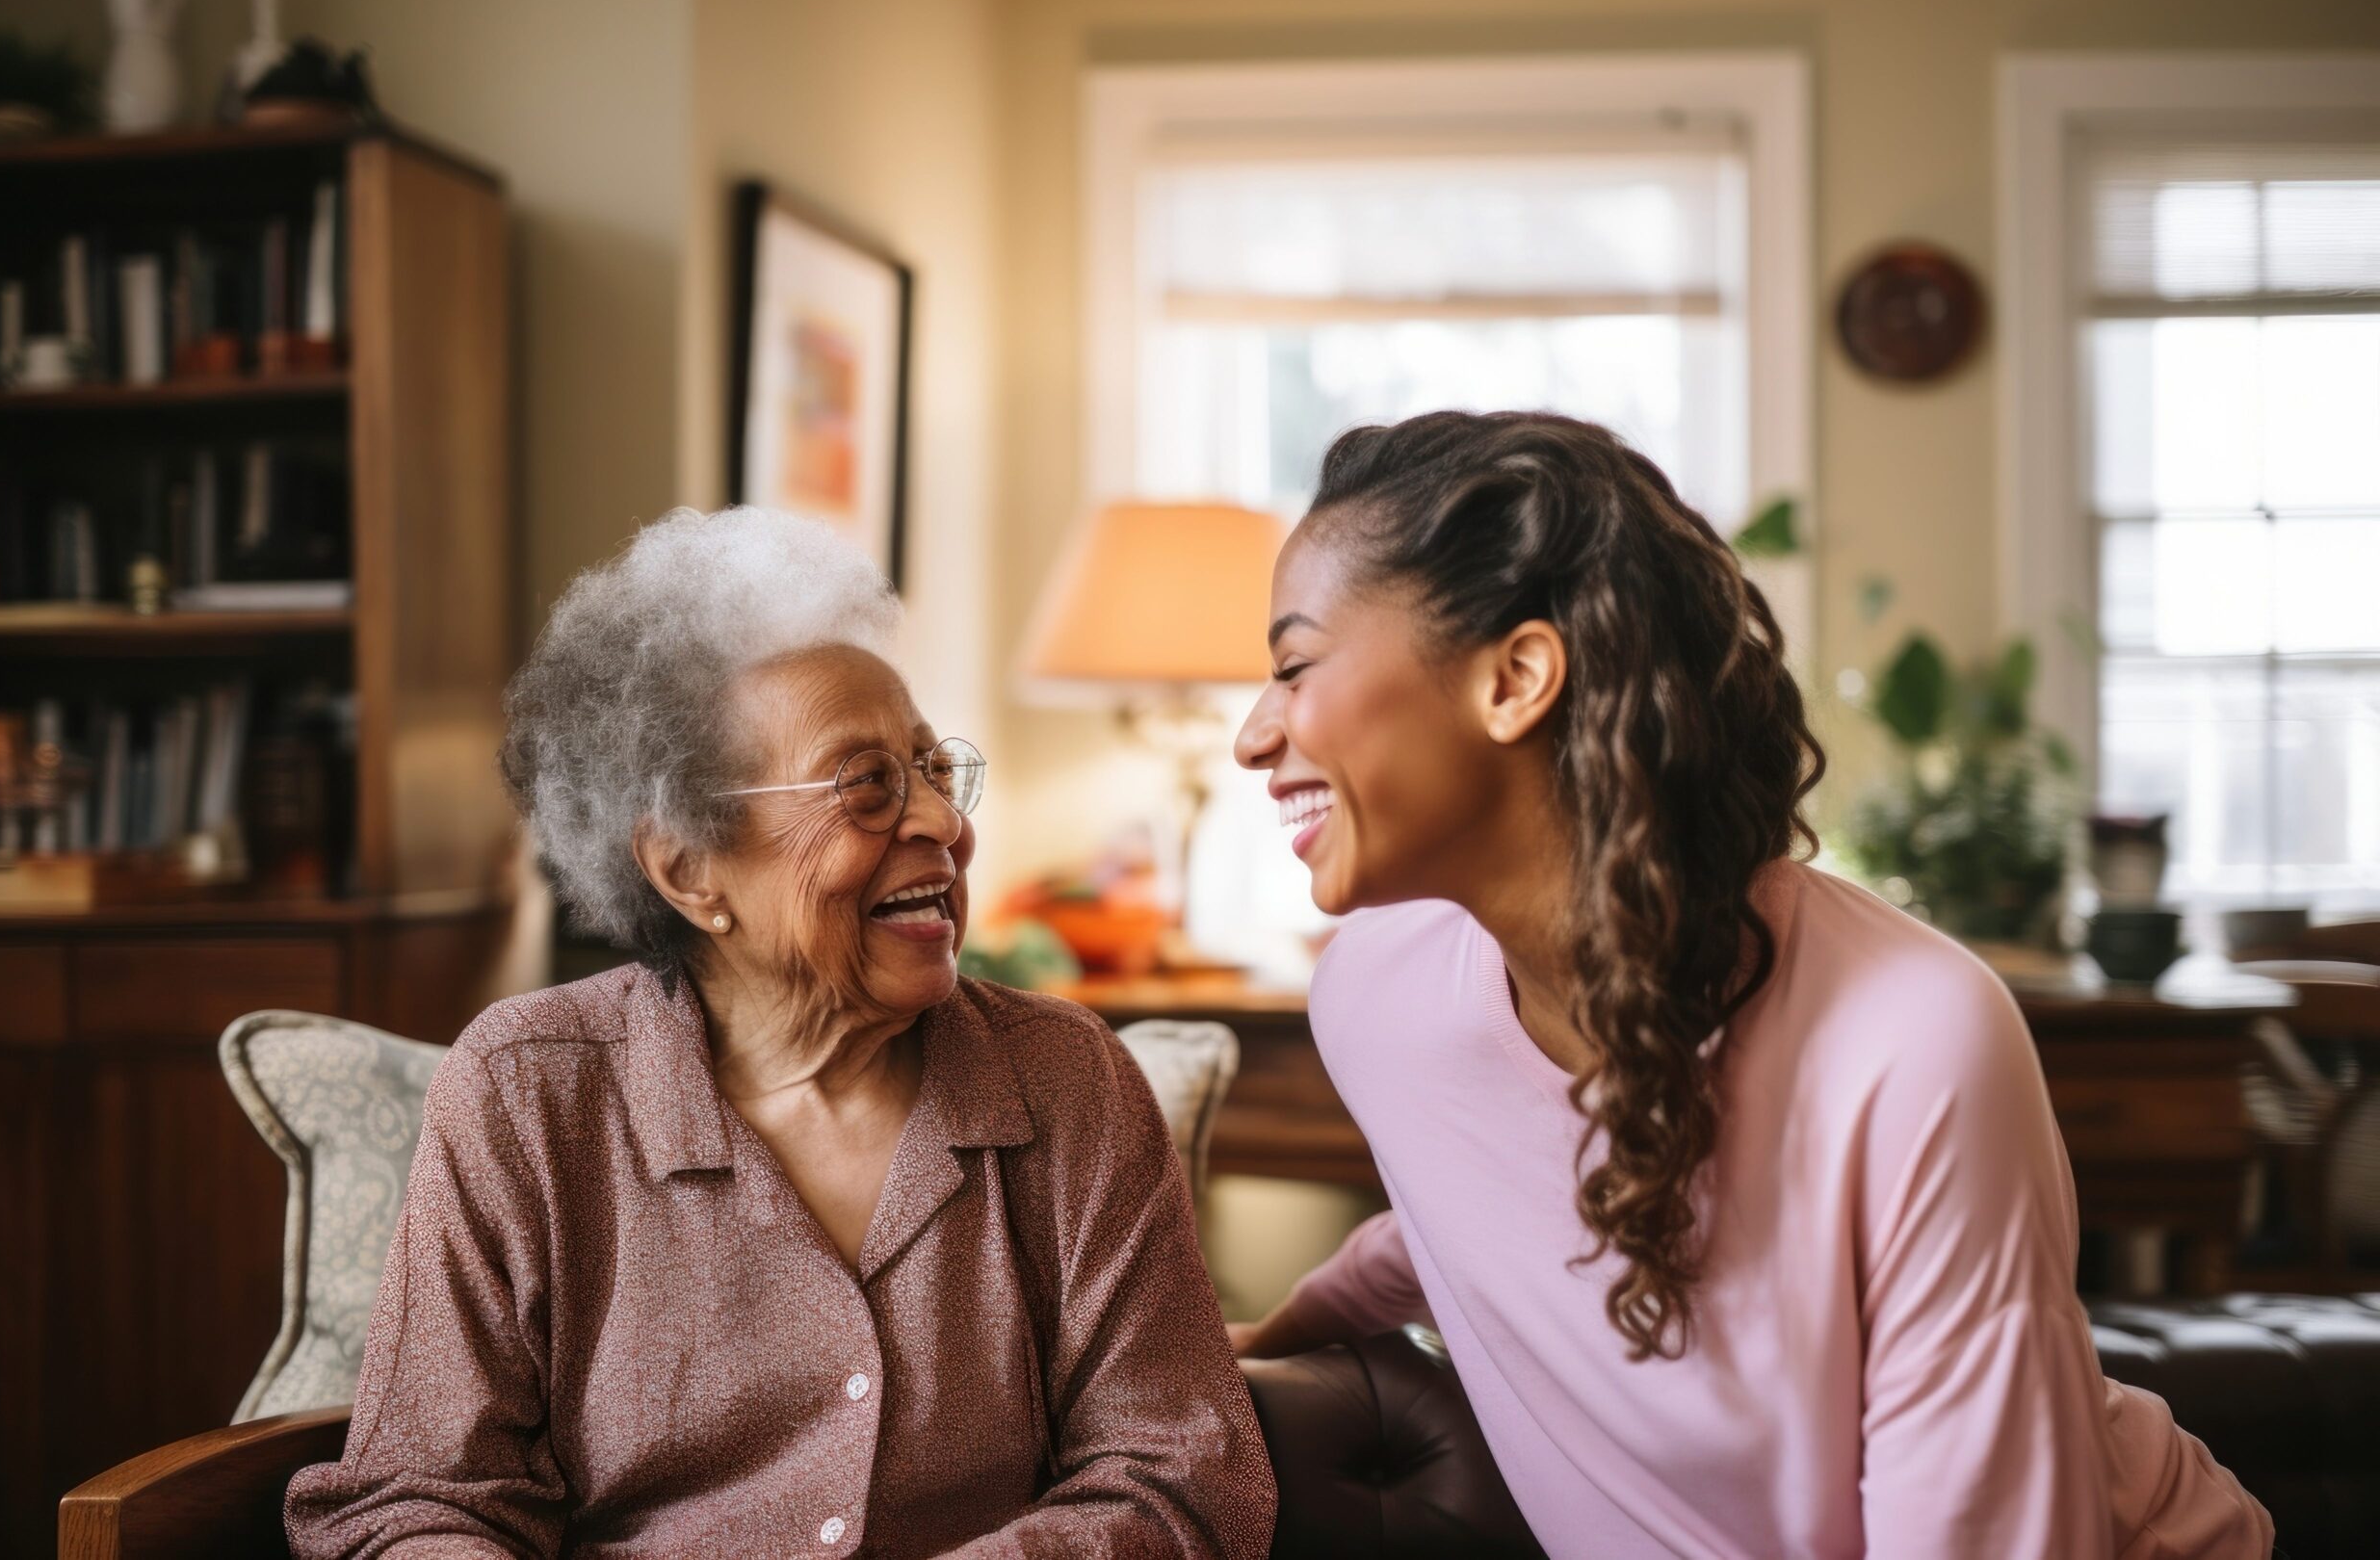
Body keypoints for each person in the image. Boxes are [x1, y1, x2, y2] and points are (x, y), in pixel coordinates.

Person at [1227, 411, 2269, 1558]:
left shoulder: (1913, 1040)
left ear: (1516, 678)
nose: (1251, 735)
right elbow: (1471, 1213)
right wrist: (1273, 1328)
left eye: (1293, 667)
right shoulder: (1378, 995)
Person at [286, 507, 1273, 1559]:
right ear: (688, 870)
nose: (942, 824)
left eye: (935, 770)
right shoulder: (529, 1094)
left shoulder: (1065, 1079)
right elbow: (417, 1503)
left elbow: (1184, 1476)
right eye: (867, 786)